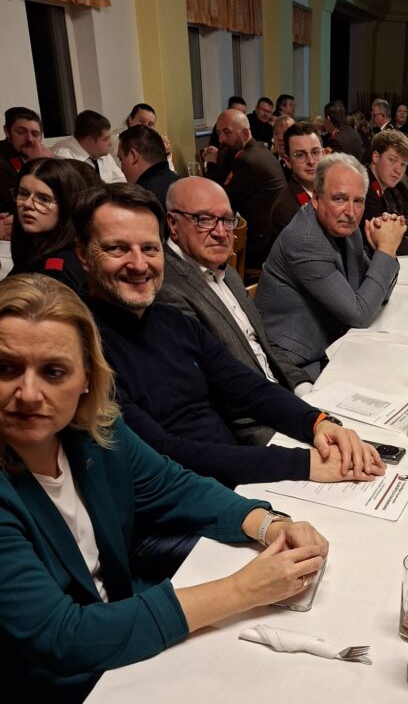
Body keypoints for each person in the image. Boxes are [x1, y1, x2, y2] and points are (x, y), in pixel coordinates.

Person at [0, 272, 329, 704]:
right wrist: (241, 589)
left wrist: (270, 523)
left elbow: (176, 486)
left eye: (54, 371)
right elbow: (62, 637)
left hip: (117, 629)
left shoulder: (93, 431)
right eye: (6, 368)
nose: (27, 393)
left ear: (86, 378)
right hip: (43, 698)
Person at [74, 183, 383, 487]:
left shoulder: (171, 321)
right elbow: (163, 453)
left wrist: (318, 423)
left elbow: (248, 387)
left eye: (149, 248)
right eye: (117, 248)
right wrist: (303, 463)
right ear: (83, 254)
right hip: (193, 496)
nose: (139, 264)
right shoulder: (82, 347)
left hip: (233, 479)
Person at [159, 177, 312, 412]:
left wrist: (303, 387)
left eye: (227, 220)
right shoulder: (168, 289)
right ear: (173, 223)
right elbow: (216, 388)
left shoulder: (226, 272)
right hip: (253, 416)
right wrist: (298, 412)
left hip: (282, 395)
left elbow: (262, 342)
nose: (221, 232)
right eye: (205, 219)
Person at [256, 153, 407, 380]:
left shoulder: (347, 229)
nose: (351, 212)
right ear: (316, 199)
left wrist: (384, 252)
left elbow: (377, 295)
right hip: (295, 366)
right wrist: (386, 249)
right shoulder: (304, 240)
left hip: (335, 344)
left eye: (358, 201)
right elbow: (360, 314)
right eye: (339, 199)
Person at [202, 109, 286, 273]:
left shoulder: (247, 161)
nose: (221, 139)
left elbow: (217, 200)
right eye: (218, 133)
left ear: (245, 133)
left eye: (227, 132)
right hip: (273, 237)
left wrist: (211, 164)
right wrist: (220, 157)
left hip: (262, 247)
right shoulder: (258, 149)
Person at [8, 157, 100, 293]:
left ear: (66, 206)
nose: (27, 204)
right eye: (23, 193)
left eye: (43, 199)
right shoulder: (34, 247)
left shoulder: (57, 271)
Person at [0, 107, 52, 236]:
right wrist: (39, 165)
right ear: (7, 131)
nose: (29, 139)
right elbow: (20, 200)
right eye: (21, 132)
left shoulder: (43, 154)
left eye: (35, 134)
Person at [268, 122, 323, 242]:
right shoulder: (286, 209)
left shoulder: (330, 191)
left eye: (315, 152)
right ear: (288, 161)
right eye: (300, 155)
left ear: (323, 154)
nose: (311, 161)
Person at [53, 110, 126, 183]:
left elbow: (122, 181)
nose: (110, 143)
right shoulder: (63, 158)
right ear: (89, 140)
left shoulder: (103, 154)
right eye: (105, 139)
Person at [117, 125, 180, 207]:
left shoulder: (139, 201)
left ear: (133, 156)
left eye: (121, 159)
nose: (121, 169)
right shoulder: (182, 184)